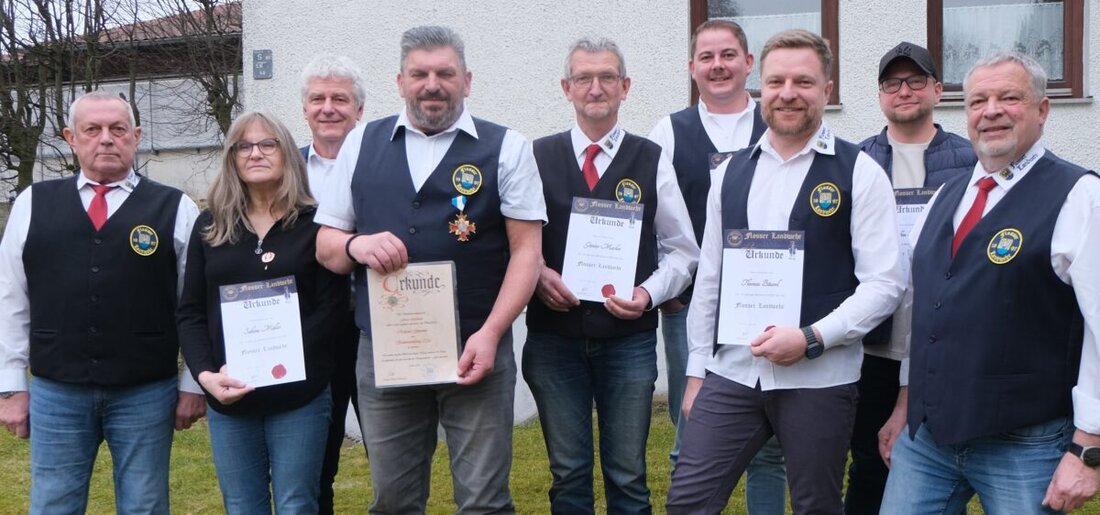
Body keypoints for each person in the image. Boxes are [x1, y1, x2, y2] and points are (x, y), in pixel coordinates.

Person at [666, 29, 905, 514]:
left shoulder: (859, 172)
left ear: (827, 90)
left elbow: (885, 284)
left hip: (820, 377)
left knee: (816, 506)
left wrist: (813, 338)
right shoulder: (729, 173)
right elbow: (710, 278)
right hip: (731, 373)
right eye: (776, 82)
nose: (788, 93)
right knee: (687, 503)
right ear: (760, 89)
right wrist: (695, 373)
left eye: (803, 81)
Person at [314, 25, 545, 514]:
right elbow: (326, 246)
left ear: (467, 80)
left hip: (476, 346)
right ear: (400, 82)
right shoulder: (360, 144)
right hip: (385, 351)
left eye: (445, 73)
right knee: (393, 500)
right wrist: (357, 244)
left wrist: (492, 333)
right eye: (419, 74)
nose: (432, 84)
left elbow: (527, 253)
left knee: (484, 499)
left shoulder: (508, 148)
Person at [878, 51, 1100, 514]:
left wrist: (1088, 448)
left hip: (1026, 444)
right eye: (978, 100)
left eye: (1009, 97)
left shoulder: (1080, 195)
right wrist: (906, 403)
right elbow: (926, 311)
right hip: (928, 441)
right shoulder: (946, 194)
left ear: (1042, 110)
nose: (991, 110)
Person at [0, 90, 206, 513]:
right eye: (92, 130)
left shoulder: (176, 208)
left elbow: (196, 304)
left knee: (145, 505)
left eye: (117, 129)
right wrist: (11, 387)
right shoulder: (32, 203)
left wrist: (192, 383)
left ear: (137, 135)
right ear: (71, 138)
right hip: (57, 390)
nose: (106, 139)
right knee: (53, 504)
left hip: (147, 390)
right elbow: (11, 297)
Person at [525, 37, 698, 514]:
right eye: (583, 77)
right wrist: (538, 274)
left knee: (628, 475)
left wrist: (647, 294)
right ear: (566, 88)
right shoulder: (534, 157)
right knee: (568, 473)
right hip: (553, 340)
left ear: (625, 87)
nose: (595, 88)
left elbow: (682, 252)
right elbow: (515, 245)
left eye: (606, 78)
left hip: (628, 341)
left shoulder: (650, 158)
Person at [647, 20, 786, 514]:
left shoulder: (776, 123)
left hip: (765, 304)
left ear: (749, 63)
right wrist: (669, 286)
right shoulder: (668, 131)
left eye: (729, 55)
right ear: (691, 68)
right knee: (695, 431)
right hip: (692, 307)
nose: (718, 65)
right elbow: (657, 221)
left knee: (767, 448)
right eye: (706, 57)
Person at [176, 111, 345, 514]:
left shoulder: (318, 224)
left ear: (286, 153)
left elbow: (332, 310)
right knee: (242, 506)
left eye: (267, 144)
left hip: (299, 396)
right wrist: (204, 377)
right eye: (244, 146)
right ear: (231, 158)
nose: (256, 153)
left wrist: (280, 360)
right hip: (230, 395)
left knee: (297, 503)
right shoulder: (211, 227)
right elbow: (191, 313)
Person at [844, 41, 976, 515]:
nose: (904, 91)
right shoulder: (855, 163)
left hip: (941, 345)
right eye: (892, 83)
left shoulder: (971, 162)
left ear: (938, 90)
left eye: (916, 80)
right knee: (868, 462)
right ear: (880, 95)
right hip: (874, 345)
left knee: (940, 465)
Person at [298, 52, 366, 515]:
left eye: (340, 98)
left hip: (376, 327)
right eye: (317, 98)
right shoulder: (284, 172)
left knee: (394, 453)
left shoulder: (386, 163)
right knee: (315, 459)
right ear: (304, 109)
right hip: (308, 333)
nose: (328, 108)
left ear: (359, 109)